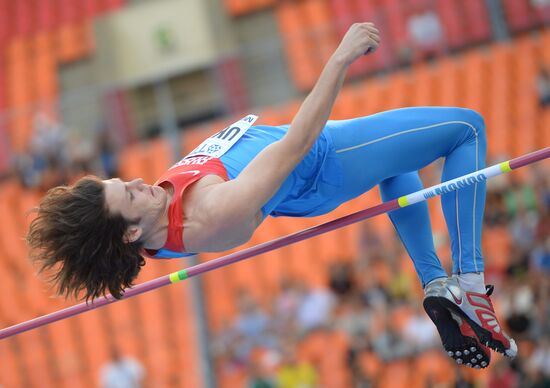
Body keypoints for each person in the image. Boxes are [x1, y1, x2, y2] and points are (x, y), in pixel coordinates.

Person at [27, 23, 516, 368]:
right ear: (132, 229)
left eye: (123, 182)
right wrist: (339, 58)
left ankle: (435, 283)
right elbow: (295, 145)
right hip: (324, 159)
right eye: (128, 195)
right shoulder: (213, 215)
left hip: (310, 157)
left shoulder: (150, 220)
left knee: (401, 164)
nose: (138, 183)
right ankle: (470, 281)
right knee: (466, 129)